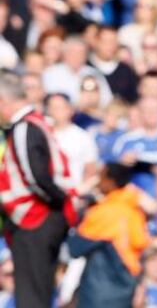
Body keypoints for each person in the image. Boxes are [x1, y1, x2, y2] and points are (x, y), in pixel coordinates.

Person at [0, 70, 78, 307]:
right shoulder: (38, 122)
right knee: (41, 289)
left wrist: (58, 200)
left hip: (35, 219)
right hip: (45, 219)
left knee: (31, 293)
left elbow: (36, 177)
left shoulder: (25, 128)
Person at [68, 162, 150, 308]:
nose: (98, 181)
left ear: (111, 182)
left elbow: (75, 248)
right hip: (125, 289)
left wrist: (79, 212)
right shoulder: (133, 210)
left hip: (98, 293)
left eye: (101, 176)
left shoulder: (104, 212)